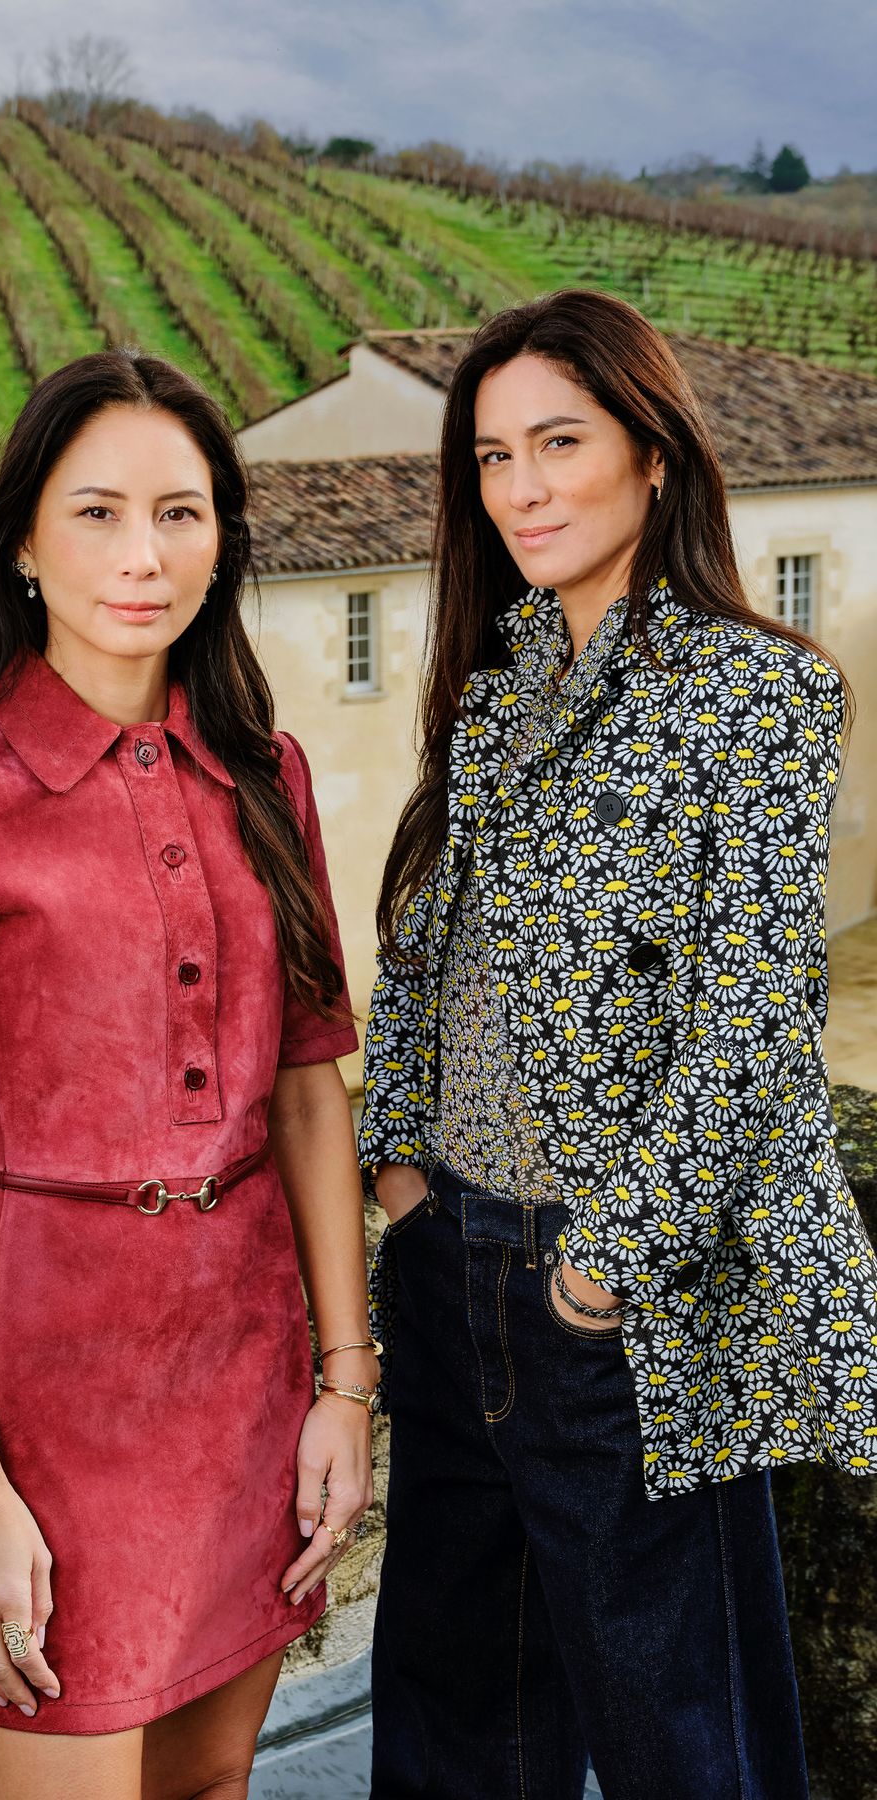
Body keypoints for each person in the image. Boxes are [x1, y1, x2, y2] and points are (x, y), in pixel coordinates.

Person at [0, 351, 378, 1800]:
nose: (145, 556)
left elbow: (312, 1086)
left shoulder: (272, 771)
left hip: (251, 1374)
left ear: (224, 535)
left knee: (211, 1786)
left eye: (183, 513)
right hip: (50, 1409)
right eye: (97, 513)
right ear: (22, 538)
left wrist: (346, 1383)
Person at [358, 289, 877, 1800]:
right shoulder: (495, 684)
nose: (518, 486)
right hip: (453, 1273)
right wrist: (401, 1190)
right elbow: (425, 950)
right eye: (491, 454)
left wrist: (602, 1272)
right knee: (456, 1738)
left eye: (558, 443)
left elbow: (752, 1024)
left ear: (655, 455)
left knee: (685, 1747)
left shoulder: (757, 694)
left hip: (623, 1307)